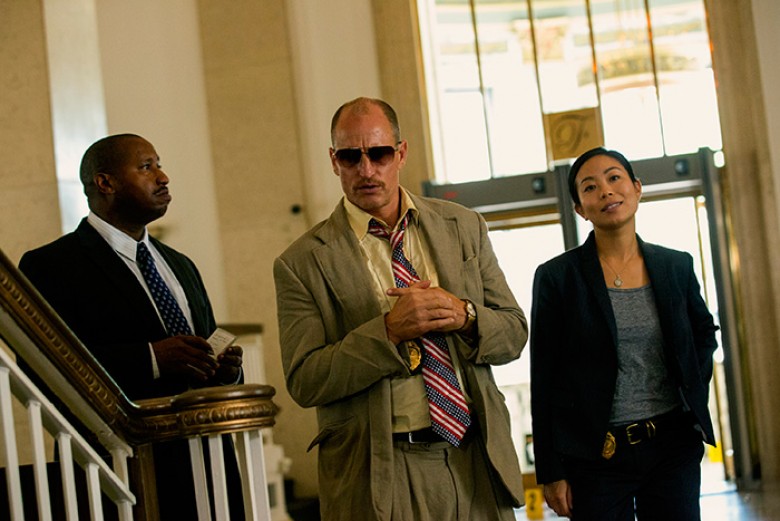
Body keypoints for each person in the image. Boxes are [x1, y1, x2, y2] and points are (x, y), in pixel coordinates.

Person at [273, 97, 529, 520]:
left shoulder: (463, 226)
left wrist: (465, 315)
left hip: (476, 458)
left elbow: (514, 333)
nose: (367, 170)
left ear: (401, 153)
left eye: (379, 154)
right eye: (351, 157)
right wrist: (388, 332)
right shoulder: (302, 262)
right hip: (382, 472)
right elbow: (305, 380)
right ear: (334, 161)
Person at [19, 134, 245, 519]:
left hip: (206, 466)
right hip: (121, 470)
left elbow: (203, 347)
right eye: (146, 167)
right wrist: (151, 359)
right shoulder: (52, 266)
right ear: (105, 182)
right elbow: (42, 370)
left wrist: (224, 372)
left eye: (159, 163)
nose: (163, 176)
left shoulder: (180, 265)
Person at [530, 147, 719, 520]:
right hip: (596, 454)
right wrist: (550, 472)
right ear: (580, 209)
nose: (606, 191)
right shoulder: (557, 278)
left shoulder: (675, 265)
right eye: (590, 187)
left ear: (636, 188)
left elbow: (703, 333)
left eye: (614, 178)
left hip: (672, 445)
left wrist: (691, 394)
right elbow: (544, 376)